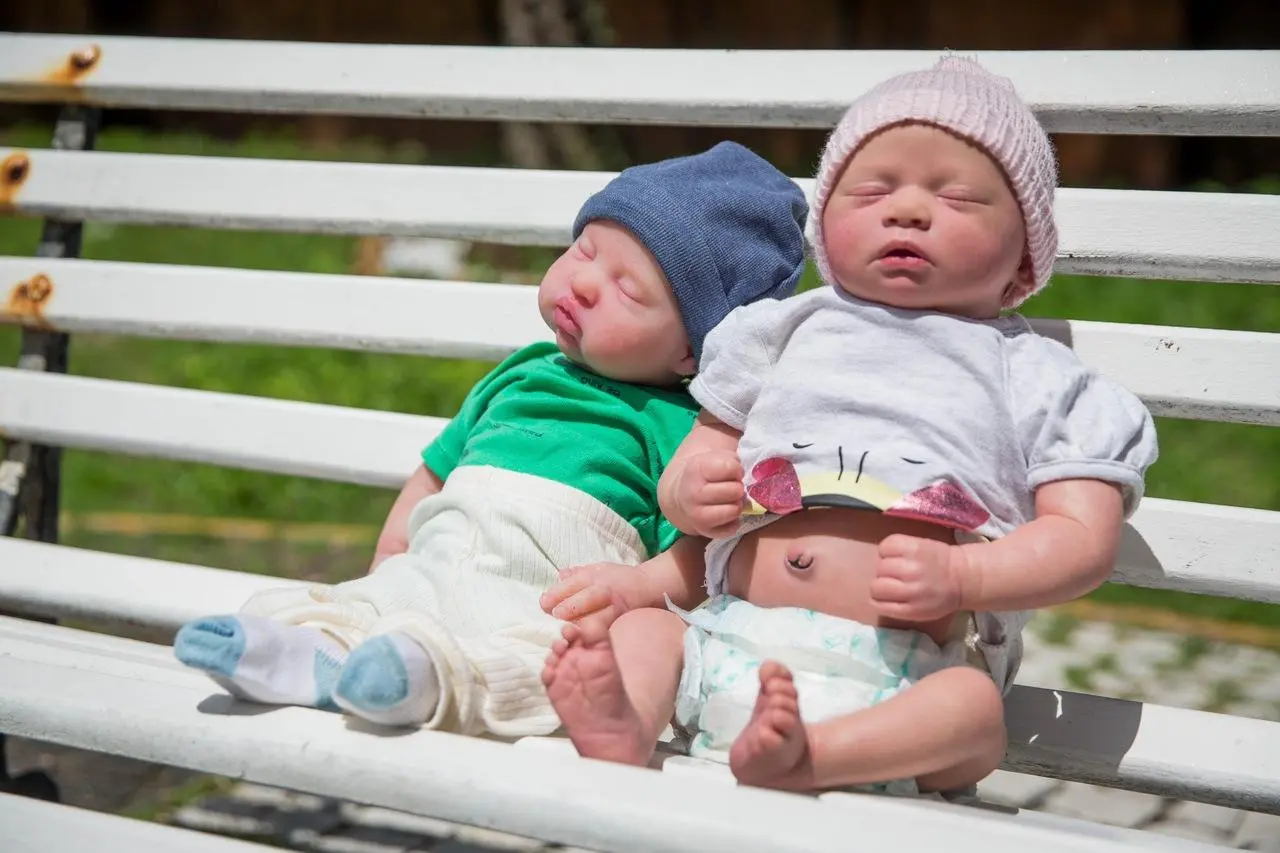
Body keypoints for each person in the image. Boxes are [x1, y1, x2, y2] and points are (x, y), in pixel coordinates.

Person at [541, 56, 1159, 793]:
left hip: (905, 670)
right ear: (827, 228)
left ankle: (815, 757)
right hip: (727, 634)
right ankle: (624, 723)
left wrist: (967, 574)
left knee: (971, 711)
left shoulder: (1036, 374)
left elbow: (1082, 540)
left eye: (958, 198)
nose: (908, 211)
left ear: (1024, 256)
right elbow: (704, 452)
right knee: (647, 631)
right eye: (872, 189)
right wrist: (687, 492)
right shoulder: (779, 332)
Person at [174, 140, 808, 737]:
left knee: (546, 662)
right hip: (431, 561)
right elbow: (434, 473)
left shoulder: (687, 432)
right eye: (585, 252)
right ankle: (302, 652)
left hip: (538, 593)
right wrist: (390, 555)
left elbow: (703, 559)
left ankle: (427, 681)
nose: (584, 283)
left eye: (627, 289)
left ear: (693, 356)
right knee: (349, 604)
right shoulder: (523, 370)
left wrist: (634, 589)